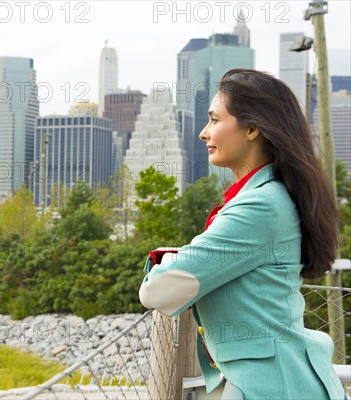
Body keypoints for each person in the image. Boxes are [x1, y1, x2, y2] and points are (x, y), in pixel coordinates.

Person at [139, 69, 346, 399]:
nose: (204, 133)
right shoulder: (268, 196)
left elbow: (157, 291)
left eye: (214, 120)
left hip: (275, 385)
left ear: (252, 129)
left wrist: (164, 262)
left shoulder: (259, 206)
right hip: (279, 380)